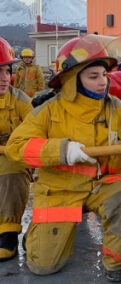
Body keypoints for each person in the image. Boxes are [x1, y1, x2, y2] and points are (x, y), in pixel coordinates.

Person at [4, 35, 121, 282]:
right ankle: (37, 236)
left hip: (103, 185)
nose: (103, 82)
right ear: (73, 80)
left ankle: (117, 264)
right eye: (94, 76)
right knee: (43, 267)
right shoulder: (48, 111)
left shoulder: (114, 107)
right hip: (62, 191)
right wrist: (61, 150)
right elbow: (17, 147)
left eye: (105, 75)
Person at [0, 37, 33, 261]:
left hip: (13, 156)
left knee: (11, 169)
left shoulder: (21, 101)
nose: (4, 78)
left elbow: (35, 131)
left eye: (6, 71)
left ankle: (8, 234)